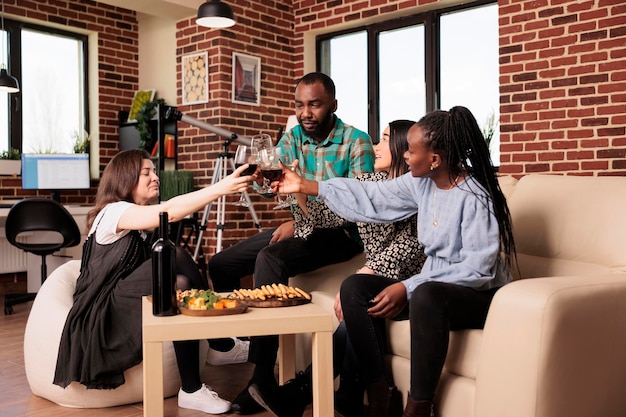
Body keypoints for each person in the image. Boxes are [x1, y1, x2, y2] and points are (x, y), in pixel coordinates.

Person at [275, 106, 516, 417]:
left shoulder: (475, 197)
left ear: (435, 159)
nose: (405, 156)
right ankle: (380, 395)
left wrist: (408, 286)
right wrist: (307, 185)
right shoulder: (423, 183)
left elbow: (477, 270)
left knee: (427, 294)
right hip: (432, 289)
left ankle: (418, 408)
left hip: (476, 295)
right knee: (355, 288)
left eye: (412, 151)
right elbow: (374, 197)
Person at [208, 72, 375, 414]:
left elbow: (362, 205)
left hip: (341, 234)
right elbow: (271, 180)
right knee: (220, 265)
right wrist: (259, 177)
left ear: (333, 105)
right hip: (301, 224)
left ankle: (260, 377)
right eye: (299, 105)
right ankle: (235, 346)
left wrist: (302, 195)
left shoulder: (357, 142)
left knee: (270, 259)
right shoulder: (293, 136)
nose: (305, 113)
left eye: (315, 104)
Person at [248, 119, 428, 417]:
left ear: (404, 149)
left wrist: (365, 273)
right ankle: (340, 392)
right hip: (375, 281)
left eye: (384, 140)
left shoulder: (421, 190)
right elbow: (328, 213)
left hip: (410, 281)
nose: (375, 146)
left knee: (359, 302)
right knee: (358, 305)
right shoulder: (369, 184)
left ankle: (305, 391)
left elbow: (413, 246)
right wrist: (299, 190)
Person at [53, 149, 253, 415]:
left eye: (154, 171)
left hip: (118, 300)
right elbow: (169, 211)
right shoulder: (114, 212)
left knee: (179, 281)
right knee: (175, 256)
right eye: (146, 173)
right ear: (125, 179)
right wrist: (221, 188)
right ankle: (219, 346)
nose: (155, 177)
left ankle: (195, 384)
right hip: (100, 315)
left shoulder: (135, 221)